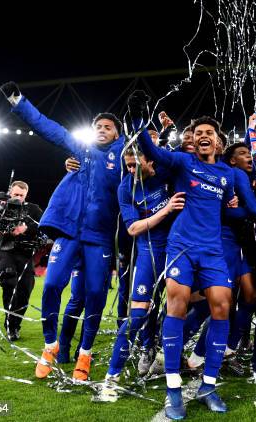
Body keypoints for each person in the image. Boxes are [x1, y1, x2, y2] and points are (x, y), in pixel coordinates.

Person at [1, 81, 126, 381]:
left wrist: (141, 119)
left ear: (118, 134)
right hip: (70, 231)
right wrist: (19, 102)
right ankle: (50, 346)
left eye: (108, 127)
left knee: (96, 292)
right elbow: (49, 128)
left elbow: (146, 146)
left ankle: (85, 354)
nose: (101, 129)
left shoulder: (123, 154)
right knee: (52, 284)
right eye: (98, 125)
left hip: (100, 236)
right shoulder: (80, 150)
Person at [129, 90, 236, 419]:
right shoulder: (182, 161)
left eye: (210, 134)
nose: (204, 136)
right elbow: (149, 150)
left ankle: (208, 385)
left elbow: (230, 201)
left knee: (221, 306)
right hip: (181, 246)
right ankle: (173, 388)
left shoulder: (227, 175)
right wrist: (138, 119)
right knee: (176, 301)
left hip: (213, 249)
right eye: (199, 133)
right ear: (194, 140)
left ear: (218, 143)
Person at [98, 146, 184, 402]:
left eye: (136, 164)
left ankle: (164, 356)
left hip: (181, 248)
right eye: (128, 166)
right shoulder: (126, 188)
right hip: (150, 251)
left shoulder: (168, 172)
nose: (132, 171)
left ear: (150, 161)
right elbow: (134, 228)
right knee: (137, 314)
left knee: (199, 304)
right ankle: (111, 379)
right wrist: (166, 210)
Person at [0, 181, 43, 341]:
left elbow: (44, 228)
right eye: (16, 194)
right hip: (6, 252)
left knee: (25, 290)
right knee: (9, 284)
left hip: (26, 254)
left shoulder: (34, 210)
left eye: (22, 195)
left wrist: (26, 229)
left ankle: (15, 325)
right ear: (10, 193)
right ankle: (9, 326)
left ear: (26, 195)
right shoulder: (0, 208)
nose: (18, 197)